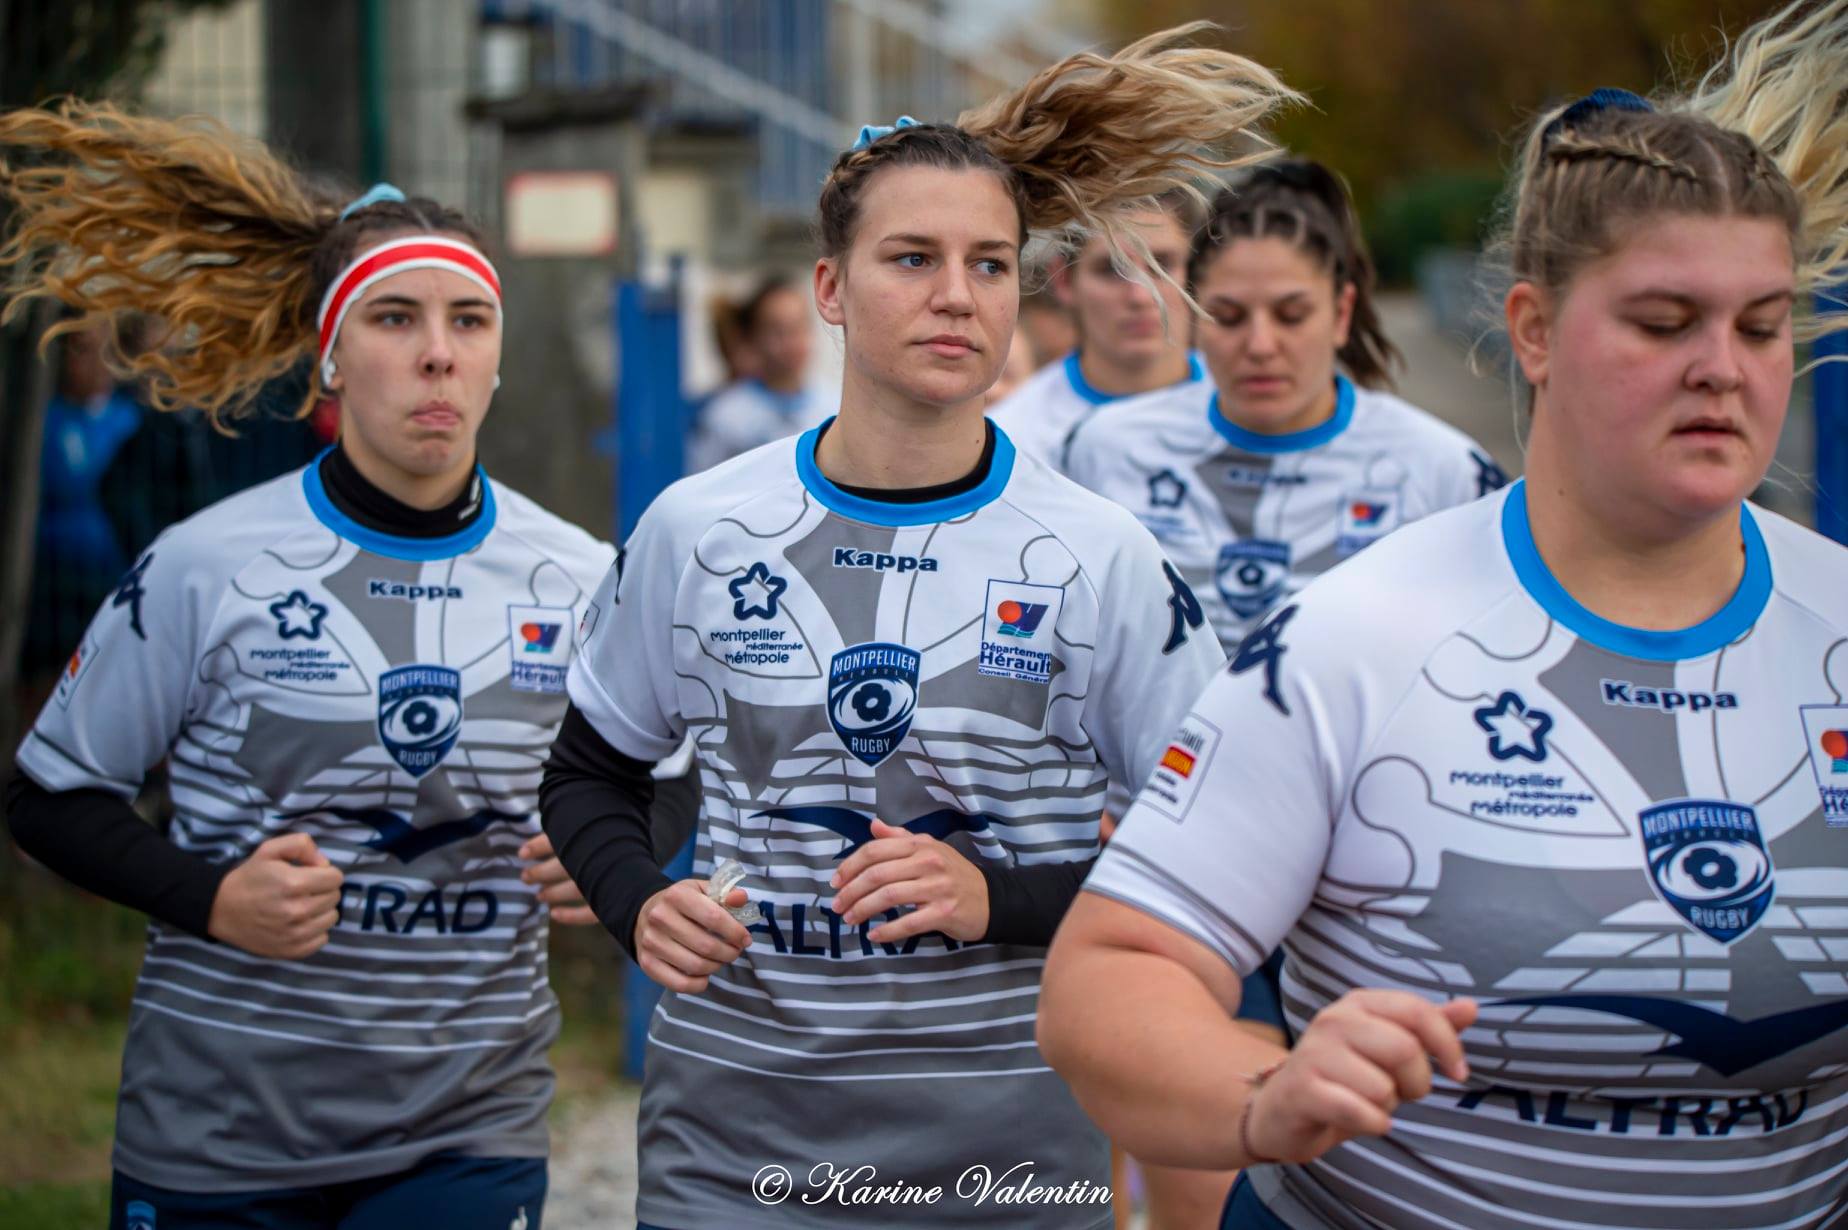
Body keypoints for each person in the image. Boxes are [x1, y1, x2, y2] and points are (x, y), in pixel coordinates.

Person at [1038, 4, 1848, 1228]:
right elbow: (1108, 983)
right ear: (1533, 330)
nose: (1723, 369)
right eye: (1663, 322)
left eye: (1762, 325)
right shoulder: (1354, 636)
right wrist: (1267, 1092)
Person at [539, 26, 1296, 1229]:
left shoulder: (1100, 554)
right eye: (913, 257)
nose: (957, 294)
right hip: (734, 1158)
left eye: (991, 264)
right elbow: (589, 772)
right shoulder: (699, 527)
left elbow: (1219, 849)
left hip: (1010, 1162)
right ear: (829, 289)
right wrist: (637, 899)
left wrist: (998, 896)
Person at [0, 102, 620, 1229]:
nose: (438, 349)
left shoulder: (582, 577)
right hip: (218, 1137)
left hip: (465, 1132)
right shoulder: (206, 565)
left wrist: (618, 852)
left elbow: (664, 770)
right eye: (396, 317)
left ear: (496, 355)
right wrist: (215, 900)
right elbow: (47, 795)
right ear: (330, 355)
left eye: (470, 320)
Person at [1064, 159, 1506, 655]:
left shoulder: (1446, 472)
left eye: (1291, 315)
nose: (1260, 344)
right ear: (1192, 312)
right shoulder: (1107, 448)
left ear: (1341, 314)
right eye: (1228, 317)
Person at [989, 193, 1207, 470]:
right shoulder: (1013, 440)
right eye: (1112, 269)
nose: (1140, 295)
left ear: (1196, 273)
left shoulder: (1253, 407)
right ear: (1065, 280)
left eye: (1161, 265)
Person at [687, 273, 825, 471]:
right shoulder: (726, 417)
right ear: (754, 337)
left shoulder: (834, 407)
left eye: (799, 327)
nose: (792, 342)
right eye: (778, 331)